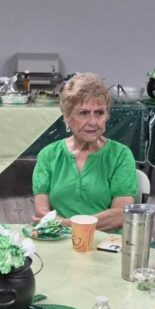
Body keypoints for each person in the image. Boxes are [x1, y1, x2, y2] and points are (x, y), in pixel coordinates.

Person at [32, 73, 138, 232]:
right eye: (83, 113)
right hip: (60, 239)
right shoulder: (48, 155)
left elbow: (120, 215)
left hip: (106, 241)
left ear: (106, 116)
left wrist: (66, 224)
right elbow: (42, 212)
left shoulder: (121, 155)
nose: (93, 122)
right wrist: (63, 227)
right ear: (67, 117)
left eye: (99, 113)